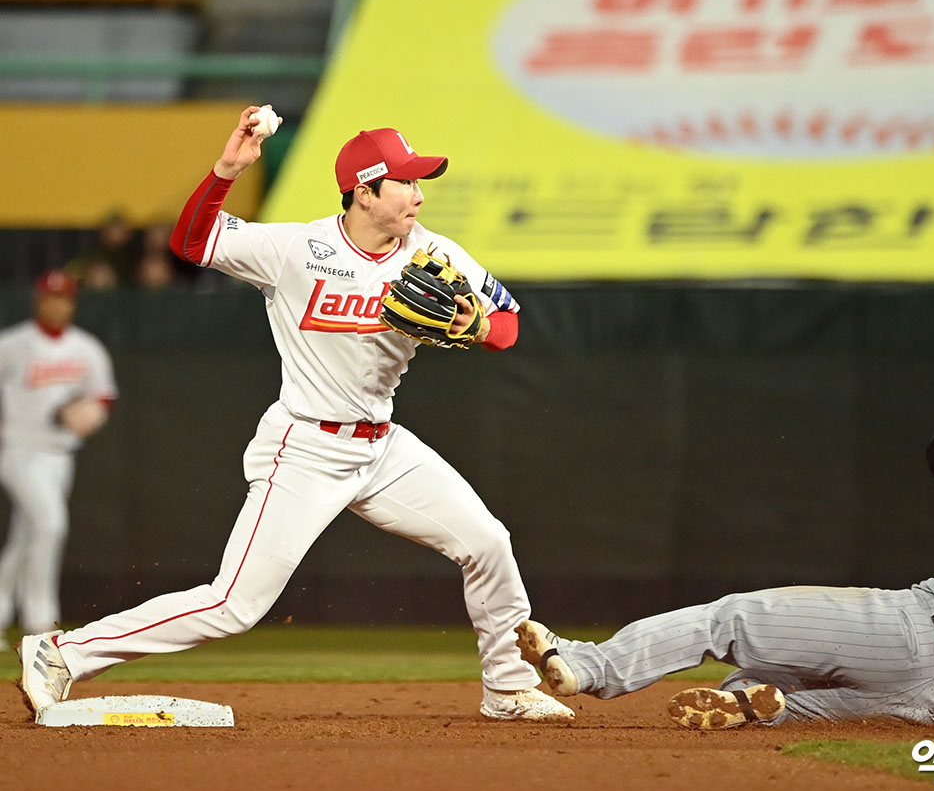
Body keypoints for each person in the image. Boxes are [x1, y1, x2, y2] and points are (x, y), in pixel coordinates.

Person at [16, 106, 573, 723]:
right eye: (406, 182)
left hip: (382, 446)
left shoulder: (432, 252)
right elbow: (192, 241)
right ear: (364, 192)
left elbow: (509, 325)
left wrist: (477, 327)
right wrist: (227, 170)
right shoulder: (295, 250)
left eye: (419, 182)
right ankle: (61, 653)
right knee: (234, 604)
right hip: (305, 447)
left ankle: (507, 686)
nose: (418, 194)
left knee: (489, 542)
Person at [515, 403, 934, 732]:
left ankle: (588, 668)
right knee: (761, 696)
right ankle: (748, 702)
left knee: (731, 619)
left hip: (910, 631)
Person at [0, 271, 116, 642]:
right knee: (50, 524)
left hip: (60, 455)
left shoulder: (86, 347)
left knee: (27, 534)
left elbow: (102, 397)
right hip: (17, 451)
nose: (56, 304)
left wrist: (81, 417)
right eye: (50, 297)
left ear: (72, 302)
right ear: (39, 300)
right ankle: (40, 623)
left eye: (63, 298)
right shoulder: (13, 343)